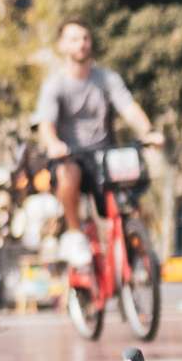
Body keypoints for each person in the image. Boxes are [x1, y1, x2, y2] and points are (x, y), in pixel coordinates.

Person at [34, 19, 160, 285]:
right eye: (74, 39)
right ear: (61, 45)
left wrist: (148, 132)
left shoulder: (106, 79)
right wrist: (54, 144)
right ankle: (74, 236)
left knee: (129, 199)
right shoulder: (56, 84)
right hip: (71, 156)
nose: (81, 44)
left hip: (104, 156)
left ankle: (136, 251)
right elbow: (45, 126)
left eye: (85, 38)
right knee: (68, 171)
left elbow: (129, 109)